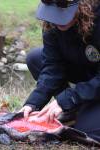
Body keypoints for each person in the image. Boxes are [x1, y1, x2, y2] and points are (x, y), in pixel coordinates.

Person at [19, 0, 100, 141]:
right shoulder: (51, 24)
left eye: (62, 14)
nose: (57, 21)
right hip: (85, 73)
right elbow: (52, 67)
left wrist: (71, 97)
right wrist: (33, 103)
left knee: (86, 132)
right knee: (35, 58)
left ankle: (85, 108)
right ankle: (74, 110)